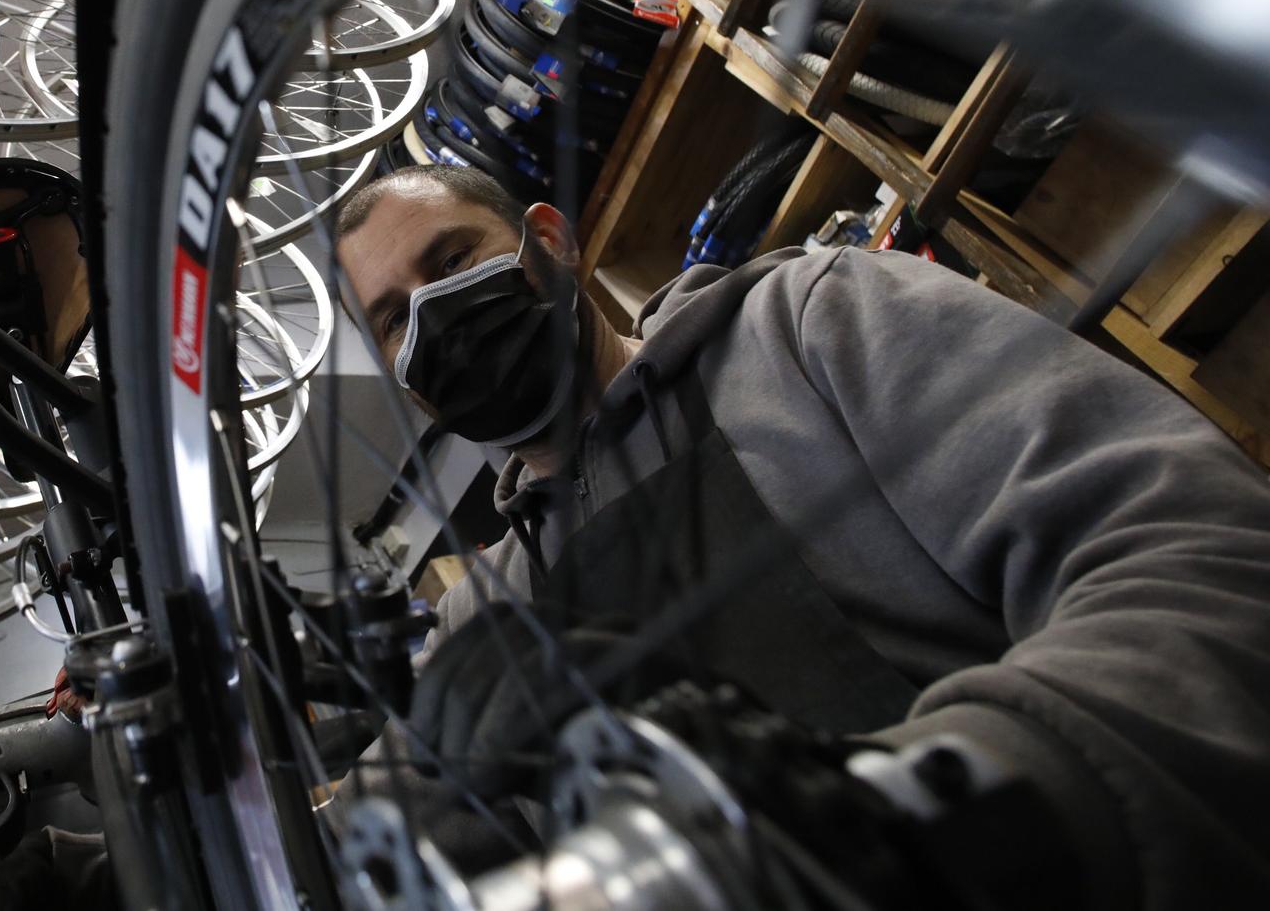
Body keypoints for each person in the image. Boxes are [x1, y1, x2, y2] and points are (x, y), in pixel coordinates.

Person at [333, 162, 1270, 910]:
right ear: (401, 379)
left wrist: (912, 820)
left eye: (452, 261)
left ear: (549, 240)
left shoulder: (810, 328)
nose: (434, 314)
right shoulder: (482, 617)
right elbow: (355, 858)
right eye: (392, 320)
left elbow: (1203, 550)